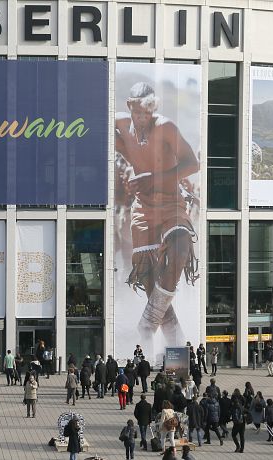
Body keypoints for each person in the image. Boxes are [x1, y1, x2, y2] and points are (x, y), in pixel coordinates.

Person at [115, 81, 199, 357]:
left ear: (154, 109)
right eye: (137, 112)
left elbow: (193, 163)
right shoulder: (119, 124)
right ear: (129, 106)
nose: (142, 118)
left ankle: (148, 323)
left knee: (181, 250)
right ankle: (176, 346)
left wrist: (154, 178)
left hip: (171, 202)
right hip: (142, 208)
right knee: (150, 278)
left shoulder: (165, 127)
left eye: (147, 112)